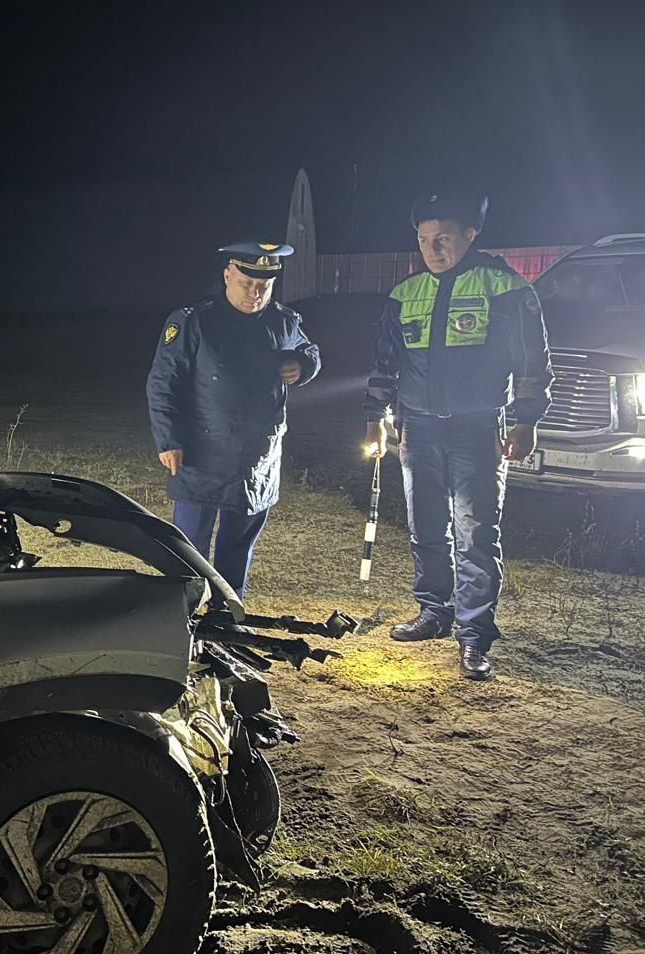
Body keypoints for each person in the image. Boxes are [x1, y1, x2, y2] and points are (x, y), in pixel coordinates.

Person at [363, 190, 553, 680]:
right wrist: (375, 415)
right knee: (424, 524)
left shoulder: (506, 287)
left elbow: (532, 360)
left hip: (478, 428)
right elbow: (386, 363)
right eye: (424, 240)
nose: (433, 248)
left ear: (470, 235)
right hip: (417, 428)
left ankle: (474, 636)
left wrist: (526, 419)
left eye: (443, 238)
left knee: (475, 533)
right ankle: (434, 611)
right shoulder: (404, 295)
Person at [146, 241, 320, 599]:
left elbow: (309, 351)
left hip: (257, 457)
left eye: (264, 285)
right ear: (228, 275)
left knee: (238, 544)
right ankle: (185, 611)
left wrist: (303, 366)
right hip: (202, 452)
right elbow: (164, 383)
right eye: (247, 283)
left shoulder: (283, 321)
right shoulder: (195, 321)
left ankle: (228, 611)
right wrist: (168, 440)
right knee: (189, 548)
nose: (256, 293)